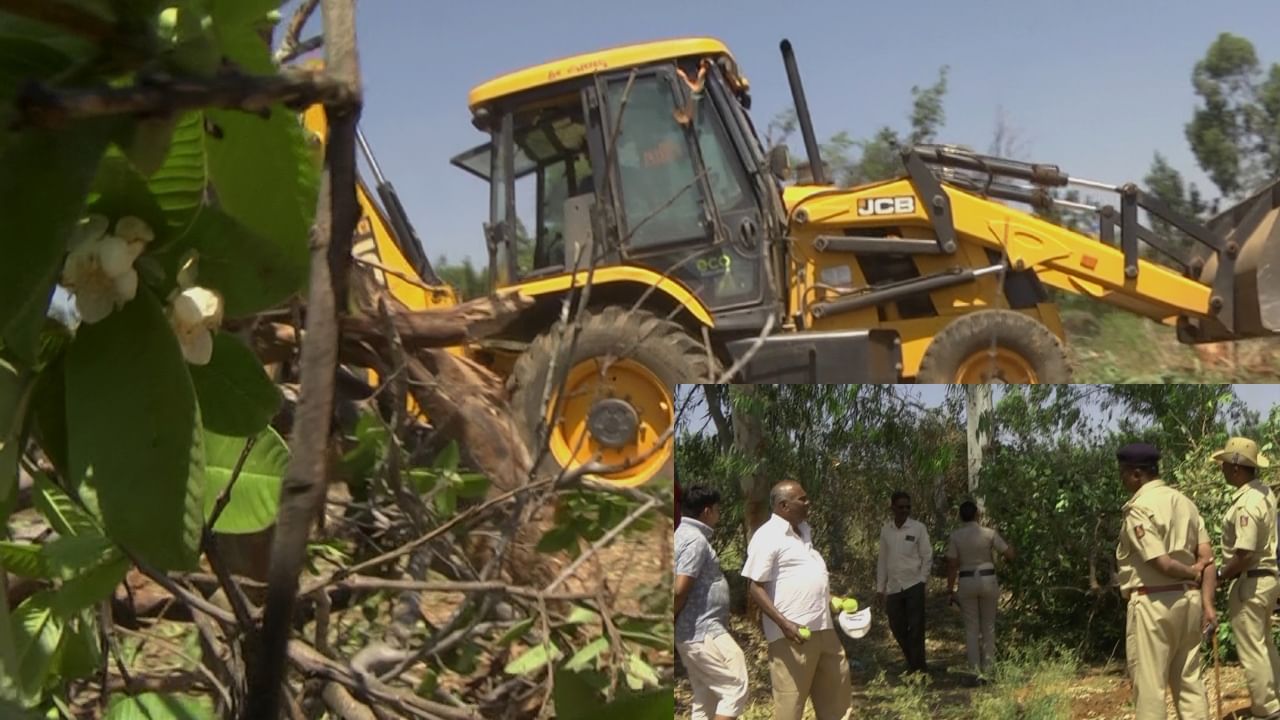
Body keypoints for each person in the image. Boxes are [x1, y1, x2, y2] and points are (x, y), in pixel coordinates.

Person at [1114, 442, 1215, 720]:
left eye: (1123, 473)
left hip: (1153, 603)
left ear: (1136, 474)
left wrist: (1191, 572)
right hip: (1189, 602)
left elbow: (1161, 561)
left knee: (1150, 688)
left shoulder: (1139, 508)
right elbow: (1207, 557)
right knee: (1189, 681)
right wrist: (1208, 604)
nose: (1122, 479)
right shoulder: (1186, 503)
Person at [741, 480, 851, 720]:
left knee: (837, 698)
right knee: (791, 706)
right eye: (802, 499)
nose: (807, 502)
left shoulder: (804, 533)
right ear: (784, 505)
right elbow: (755, 587)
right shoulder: (768, 536)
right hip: (793, 636)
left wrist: (832, 600)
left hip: (824, 629)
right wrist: (785, 624)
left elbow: (800, 581)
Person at [1213, 437, 1280, 719]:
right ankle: (1275, 699)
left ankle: (1266, 710)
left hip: (1251, 580)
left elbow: (1244, 554)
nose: (1223, 470)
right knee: (1264, 644)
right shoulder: (1264, 493)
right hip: (1268, 579)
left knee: (1253, 649)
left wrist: (1219, 575)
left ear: (1237, 468)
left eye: (1226, 465)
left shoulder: (1246, 504)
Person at [675, 485, 748, 720]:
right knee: (734, 686)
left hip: (693, 632)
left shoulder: (683, 535)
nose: (719, 514)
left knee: (706, 698)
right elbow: (679, 589)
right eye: (717, 510)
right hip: (702, 630)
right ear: (707, 511)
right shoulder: (695, 541)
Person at [945, 500, 1015, 679]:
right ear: (978, 515)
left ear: (960, 517)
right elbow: (1009, 554)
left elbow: (952, 565)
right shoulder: (989, 534)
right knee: (988, 626)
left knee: (971, 628)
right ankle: (989, 671)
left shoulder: (956, 536)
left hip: (967, 580)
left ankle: (975, 672)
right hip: (987, 579)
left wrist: (950, 589)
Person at [876, 491, 931, 674]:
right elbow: (882, 560)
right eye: (901, 507)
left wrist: (923, 580)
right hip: (894, 587)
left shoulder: (918, 528)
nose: (904, 510)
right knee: (896, 626)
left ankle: (918, 670)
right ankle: (912, 661)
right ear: (892, 507)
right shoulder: (886, 530)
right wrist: (880, 589)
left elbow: (927, 555)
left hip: (914, 584)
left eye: (908, 507)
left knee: (916, 628)